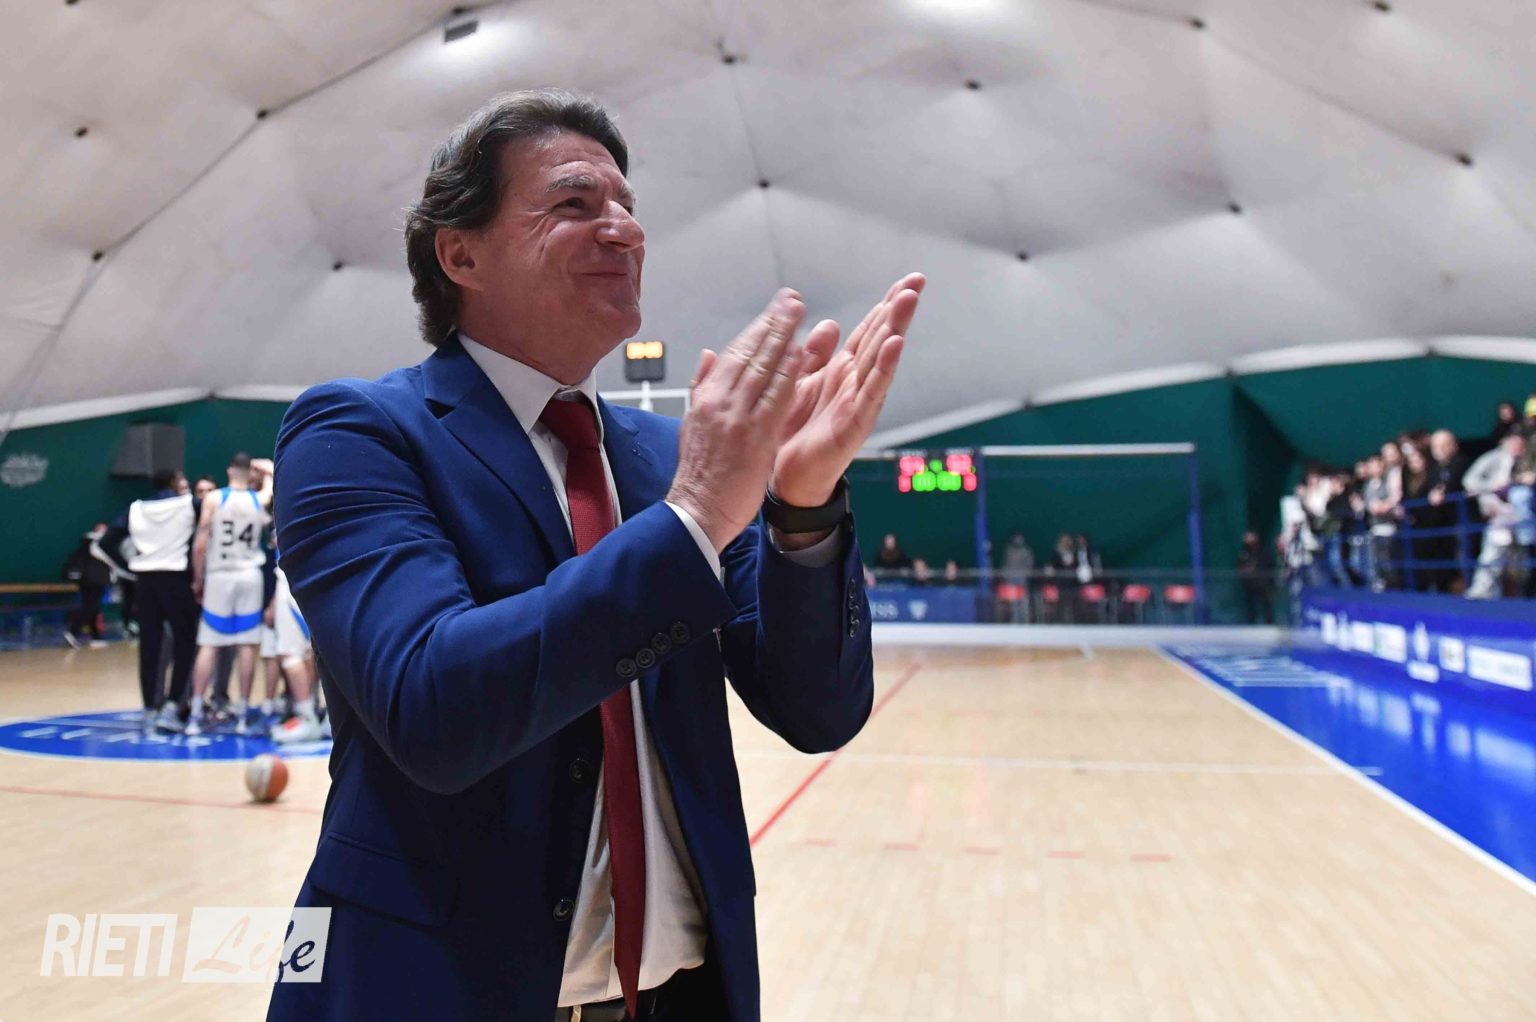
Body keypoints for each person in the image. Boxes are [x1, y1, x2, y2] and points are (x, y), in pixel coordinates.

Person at [267, 90, 922, 1022]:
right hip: (439, 992)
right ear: (461, 255)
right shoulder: (357, 433)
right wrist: (696, 517)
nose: (624, 228)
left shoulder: (669, 458)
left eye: (626, 204)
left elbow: (819, 711)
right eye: (575, 203)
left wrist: (802, 509)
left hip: (684, 996)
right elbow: (431, 706)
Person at [98, 469, 201, 732]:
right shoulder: (187, 504)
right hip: (176, 579)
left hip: (144, 582)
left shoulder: (136, 508)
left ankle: (150, 709)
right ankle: (173, 704)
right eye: (182, 479)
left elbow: (106, 543)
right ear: (174, 483)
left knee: (150, 646)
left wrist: (129, 566)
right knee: (185, 643)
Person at [185, 453, 273, 736]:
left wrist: (197, 577)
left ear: (228, 470)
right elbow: (272, 482)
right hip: (249, 575)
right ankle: (244, 714)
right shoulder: (258, 499)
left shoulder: (214, 499)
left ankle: (196, 714)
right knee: (246, 645)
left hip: (220, 574)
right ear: (249, 472)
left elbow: (201, 543)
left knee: (209, 643)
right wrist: (265, 469)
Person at [1463, 432, 1526, 598]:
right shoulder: (1493, 457)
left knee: (1519, 565)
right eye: (1515, 443)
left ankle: (1517, 597)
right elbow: (1469, 481)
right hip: (1499, 516)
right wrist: (1491, 488)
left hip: (1521, 517)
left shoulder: (1525, 460)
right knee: (1492, 556)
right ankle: (1481, 592)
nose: (1518, 448)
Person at [62, 524, 112, 649]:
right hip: (94, 580)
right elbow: (108, 558)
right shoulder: (97, 543)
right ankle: (73, 631)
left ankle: (96, 637)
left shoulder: (87, 542)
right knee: (90, 607)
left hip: (88, 580)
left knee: (93, 607)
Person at [1236, 530, 1274, 623]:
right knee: (1251, 605)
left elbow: (1267, 565)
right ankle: (1251, 622)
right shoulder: (1244, 552)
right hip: (1250, 584)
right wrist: (1246, 571)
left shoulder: (1263, 551)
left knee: (1266, 604)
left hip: (1262, 584)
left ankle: (1269, 622)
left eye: (1250, 537)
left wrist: (1256, 569)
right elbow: (1240, 567)